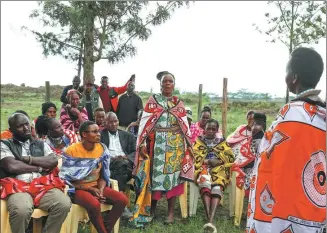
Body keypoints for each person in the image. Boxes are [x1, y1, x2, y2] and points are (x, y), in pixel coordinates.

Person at [246, 47, 326, 233]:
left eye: (287, 72)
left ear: (294, 77)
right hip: (317, 199)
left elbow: (269, 154)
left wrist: (260, 137)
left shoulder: (291, 113)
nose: (286, 76)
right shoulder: (323, 114)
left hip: (290, 202)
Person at [129, 71, 193, 227]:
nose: (167, 84)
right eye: (165, 81)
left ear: (174, 84)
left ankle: (171, 212)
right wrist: (142, 143)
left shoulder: (179, 103)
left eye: (170, 81)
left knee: (173, 179)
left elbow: (185, 125)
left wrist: (188, 146)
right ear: (160, 84)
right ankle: (152, 210)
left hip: (175, 146)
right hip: (156, 145)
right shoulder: (153, 101)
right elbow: (145, 124)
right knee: (155, 177)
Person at [0, 113, 71, 233]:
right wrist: (39, 168)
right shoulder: (4, 144)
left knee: (63, 203)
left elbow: (52, 161)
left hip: (42, 186)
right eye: (20, 126)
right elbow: (12, 166)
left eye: (27, 124)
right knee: (21, 210)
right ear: (11, 130)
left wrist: (28, 159)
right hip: (17, 186)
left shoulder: (41, 144)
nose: (26, 128)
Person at [60, 121, 128, 233]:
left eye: (98, 131)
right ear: (84, 134)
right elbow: (66, 180)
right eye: (94, 132)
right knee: (94, 204)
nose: (99, 134)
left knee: (122, 200)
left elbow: (103, 175)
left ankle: (106, 228)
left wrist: (100, 190)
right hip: (77, 188)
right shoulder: (72, 151)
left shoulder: (102, 149)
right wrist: (90, 189)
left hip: (97, 186)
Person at [193, 119, 234, 232]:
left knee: (217, 186)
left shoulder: (221, 141)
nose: (210, 131)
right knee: (204, 182)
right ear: (204, 129)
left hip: (219, 168)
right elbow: (194, 157)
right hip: (204, 167)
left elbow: (230, 157)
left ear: (217, 130)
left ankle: (210, 220)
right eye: (208, 128)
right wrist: (207, 162)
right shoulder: (199, 141)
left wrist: (219, 161)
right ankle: (209, 219)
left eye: (213, 129)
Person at [100, 112, 136, 218]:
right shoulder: (100, 135)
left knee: (121, 166)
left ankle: (118, 202)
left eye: (115, 121)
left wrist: (126, 158)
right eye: (110, 122)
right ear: (105, 123)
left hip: (126, 163)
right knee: (120, 165)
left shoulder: (127, 135)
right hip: (109, 163)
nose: (114, 124)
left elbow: (135, 151)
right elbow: (98, 152)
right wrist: (111, 158)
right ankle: (121, 204)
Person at [226, 110, 255, 194]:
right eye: (250, 119)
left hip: (250, 153)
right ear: (247, 119)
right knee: (238, 153)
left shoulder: (257, 129)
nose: (251, 121)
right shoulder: (241, 128)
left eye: (253, 119)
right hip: (238, 151)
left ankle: (246, 188)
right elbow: (233, 139)